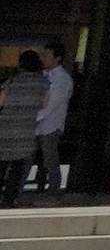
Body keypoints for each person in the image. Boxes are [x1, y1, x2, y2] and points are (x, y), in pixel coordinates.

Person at [0, 52, 47, 207]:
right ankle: (8, 200)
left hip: (5, 128)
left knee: (2, 165)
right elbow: (44, 105)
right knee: (17, 168)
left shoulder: (12, 81)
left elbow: (1, 102)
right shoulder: (43, 83)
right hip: (26, 130)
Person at [33, 42, 70, 195]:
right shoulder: (44, 75)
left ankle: (53, 189)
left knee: (50, 158)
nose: (43, 59)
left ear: (57, 58)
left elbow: (51, 104)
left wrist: (34, 117)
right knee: (36, 157)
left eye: (47, 55)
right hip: (40, 123)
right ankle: (42, 186)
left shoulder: (62, 79)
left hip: (51, 124)